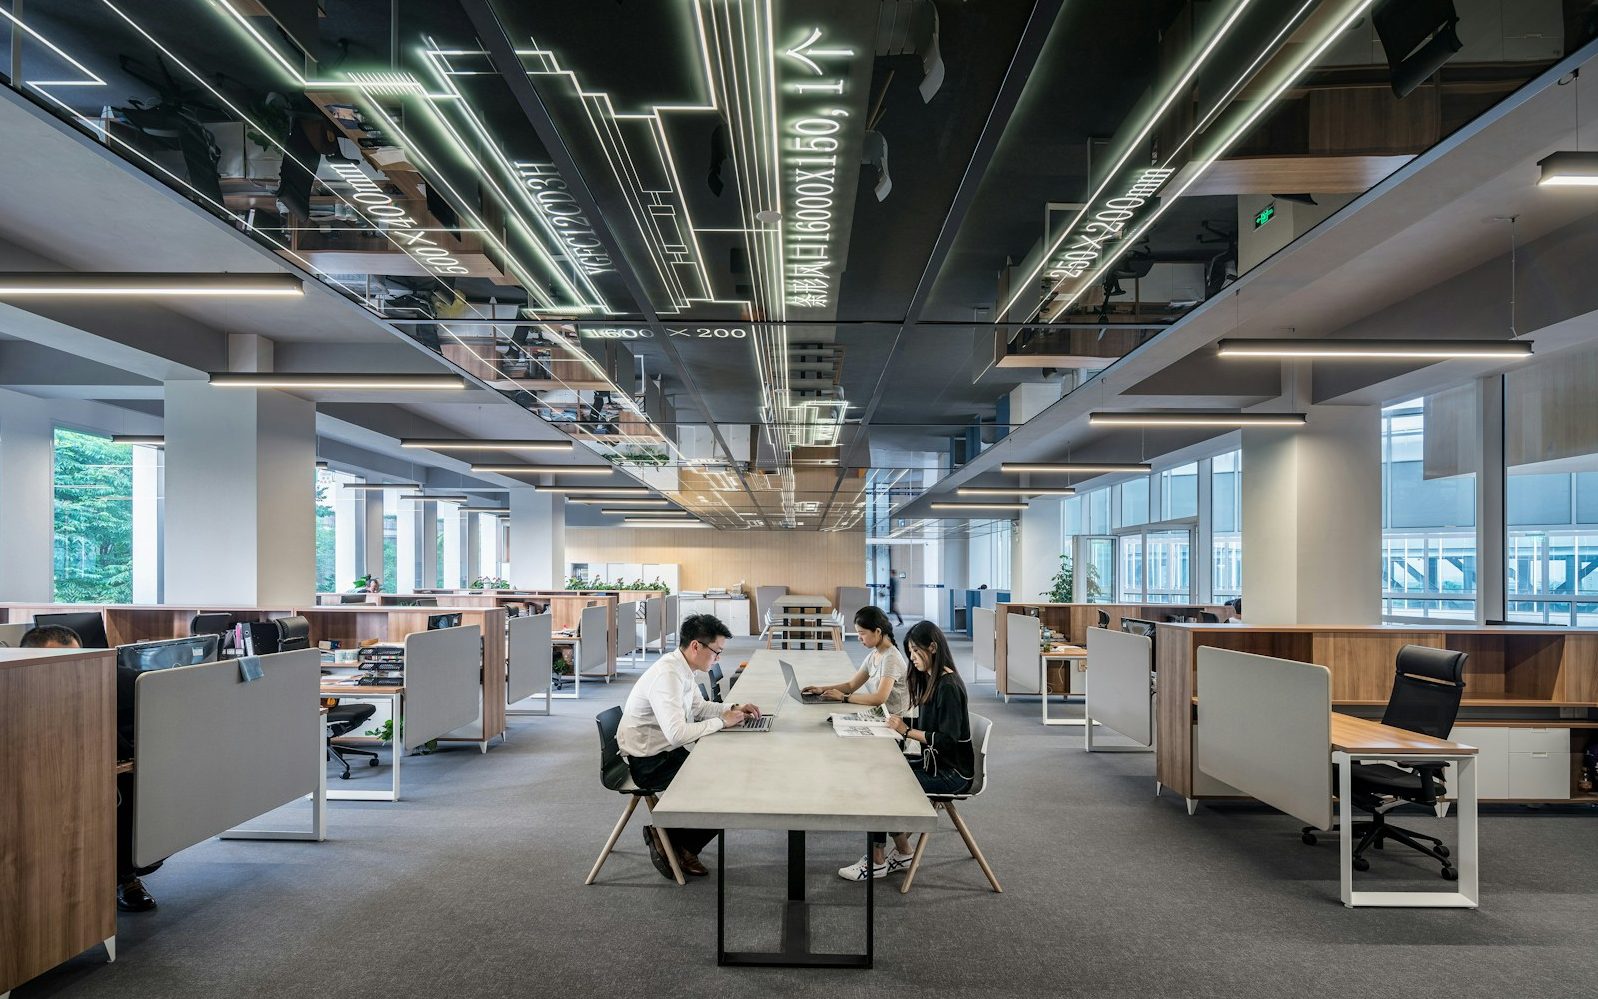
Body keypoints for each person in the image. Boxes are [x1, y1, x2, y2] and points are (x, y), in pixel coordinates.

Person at [22, 625, 163, 912]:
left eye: (77, 661)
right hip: (33, 781)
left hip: (91, 774)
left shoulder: (107, 685)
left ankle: (123, 875)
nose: (70, 671)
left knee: (128, 787)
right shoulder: (16, 695)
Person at [617, 614, 761, 880]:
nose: (718, 658)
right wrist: (721, 722)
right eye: (716, 652)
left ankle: (672, 838)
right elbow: (676, 734)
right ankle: (673, 840)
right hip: (650, 762)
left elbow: (699, 707)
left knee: (732, 777)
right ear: (696, 646)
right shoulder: (667, 675)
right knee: (728, 789)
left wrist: (733, 708)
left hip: (665, 752)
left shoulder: (682, 669)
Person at [838, 620, 974, 881]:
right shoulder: (934, 680)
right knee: (879, 772)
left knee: (880, 784)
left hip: (952, 774)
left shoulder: (948, 686)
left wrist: (906, 731)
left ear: (932, 648)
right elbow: (930, 725)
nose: (911, 658)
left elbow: (947, 741)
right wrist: (897, 724)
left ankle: (877, 860)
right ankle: (903, 851)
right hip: (935, 763)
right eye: (909, 652)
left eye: (915, 651)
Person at [801, 606, 909, 716]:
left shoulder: (891, 658)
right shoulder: (874, 655)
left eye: (862, 633)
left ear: (877, 631)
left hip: (895, 723)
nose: (859, 638)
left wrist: (844, 697)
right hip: (881, 715)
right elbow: (851, 686)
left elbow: (879, 698)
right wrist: (822, 689)